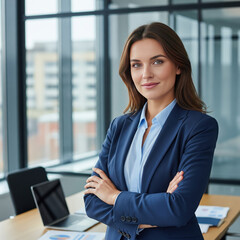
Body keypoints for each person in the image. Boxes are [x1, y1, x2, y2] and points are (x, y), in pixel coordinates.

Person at [84, 22, 218, 240]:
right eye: (136, 65)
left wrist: (115, 196)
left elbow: (179, 208)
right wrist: (153, 211)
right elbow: (92, 201)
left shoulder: (199, 127)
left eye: (157, 61)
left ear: (178, 65)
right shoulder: (119, 126)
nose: (146, 74)